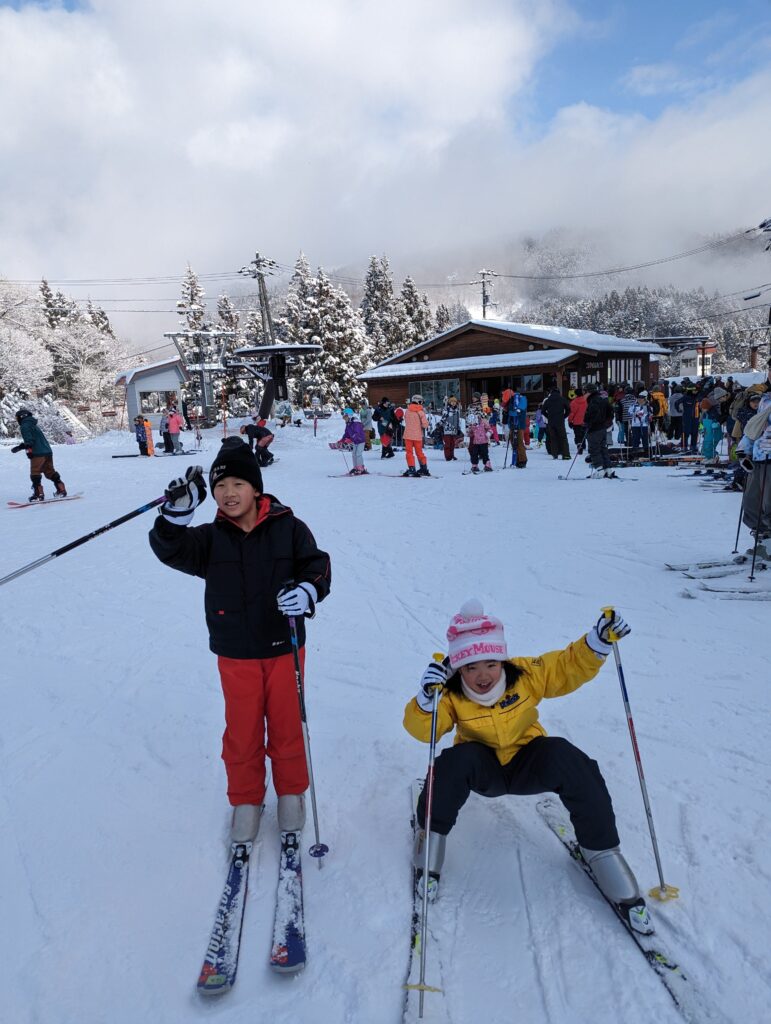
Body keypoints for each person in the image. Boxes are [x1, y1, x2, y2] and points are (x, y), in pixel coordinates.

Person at [403, 599, 653, 935]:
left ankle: (602, 852)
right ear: (458, 668)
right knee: (451, 763)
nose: (482, 676)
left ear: (502, 660)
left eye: (491, 664)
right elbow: (424, 732)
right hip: (483, 769)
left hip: (527, 760)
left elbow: (564, 667)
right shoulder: (447, 693)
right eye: (471, 668)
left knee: (570, 759)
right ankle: (429, 845)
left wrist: (597, 642)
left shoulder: (524, 674)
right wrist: (424, 701)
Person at [148, 439, 331, 843]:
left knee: (287, 725)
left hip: (284, 647)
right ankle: (246, 798)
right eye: (220, 486)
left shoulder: (289, 527)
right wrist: (174, 518)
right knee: (243, 730)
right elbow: (170, 550)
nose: (229, 493)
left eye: (238, 484)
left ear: (256, 488)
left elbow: (318, 565)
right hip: (235, 652)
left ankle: (291, 794)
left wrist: (307, 591)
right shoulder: (210, 538)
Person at [11, 408, 68, 500]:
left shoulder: (25, 426)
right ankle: (61, 489)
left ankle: (38, 494)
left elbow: (29, 441)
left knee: (35, 473)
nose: (17, 420)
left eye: (17, 418)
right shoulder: (33, 425)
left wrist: (24, 449)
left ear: (22, 417)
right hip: (48, 451)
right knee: (49, 472)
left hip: (38, 453)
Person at [584, 385, 616, 478]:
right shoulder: (603, 399)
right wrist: (606, 422)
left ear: (589, 392)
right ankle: (608, 469)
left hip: (594, 429)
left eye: (585, 392)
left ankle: (599, 469)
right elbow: (610, 411)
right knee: (603, 449)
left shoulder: (593, 401)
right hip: (602, 428)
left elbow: (590, 415)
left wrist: (587, 422)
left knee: (594, 449)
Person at [402, 394, 430, 477]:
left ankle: (412, 468)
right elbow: (425, 425)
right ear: (419, 401)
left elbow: (406, 421)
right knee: (419, 452)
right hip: (418, 436)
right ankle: (423, 468)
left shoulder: (407, 411)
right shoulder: (421, 412)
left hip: (408, 435)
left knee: (409, 453)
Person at [541, 386, 571, 459]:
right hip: (560, 421)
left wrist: (548, 416)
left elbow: (543, 411)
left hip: (551, 422)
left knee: (553, 438)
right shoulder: (562, 399)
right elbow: (568, 409)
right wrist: (564, 416)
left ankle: (555, 454)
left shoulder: (548, 400)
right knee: (563, 437)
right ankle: (566, 454)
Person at [339, 408, 368, 475]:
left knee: (358, 454)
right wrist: (342, 440)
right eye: (343, 417)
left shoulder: (356, 422)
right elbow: (347, 433)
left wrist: (351, 439)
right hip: (355, 441)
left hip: (360, 440)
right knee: (354, 454)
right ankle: (355, 467)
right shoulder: (348, 423)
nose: (344, 418)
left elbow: (357, 433)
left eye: (345, 417)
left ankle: (361, 468)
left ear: (349, 415)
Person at [440, 396, 462, 461]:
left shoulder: (456, 410)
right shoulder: (446, 409)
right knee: (447, 443)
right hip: (447, 429)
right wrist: (440, 424)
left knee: (452, 444)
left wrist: (458, 428)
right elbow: (443, 418)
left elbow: (458, 420)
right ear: (449, 402)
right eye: (452, 401)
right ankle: (448, 456)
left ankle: (452, 455)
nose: (453, 403)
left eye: (454, 402)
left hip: (454, 429)